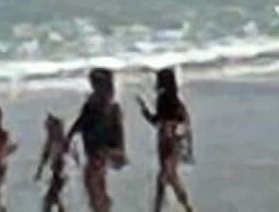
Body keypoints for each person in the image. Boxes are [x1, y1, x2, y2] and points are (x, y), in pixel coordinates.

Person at [140, 66, 195, 212]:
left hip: (166, 142)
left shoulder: (164, 99)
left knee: (165, 176)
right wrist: (188, 146)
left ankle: (180, 207)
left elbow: (157, 122)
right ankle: (185, 207)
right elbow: (185, 123)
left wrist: (145, 112)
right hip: (173, 142)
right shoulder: (175, 100)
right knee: (169, 176)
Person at [73, 66, 127, 212]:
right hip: (99, 151)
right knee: (95, 187)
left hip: (97, 151)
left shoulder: (99, 106)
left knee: (94, 187)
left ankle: (101, 207)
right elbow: (118, 132)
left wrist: (69, 138)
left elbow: (80, 123)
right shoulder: (106, 106)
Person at [35, 112, 75, 212]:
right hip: (56, 173)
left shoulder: (63, 141)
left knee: (50, 199)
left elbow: (70, 160)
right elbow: (44, 157)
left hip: (61, 174)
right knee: (52, 199)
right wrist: (39, 172)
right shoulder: (51, 141)